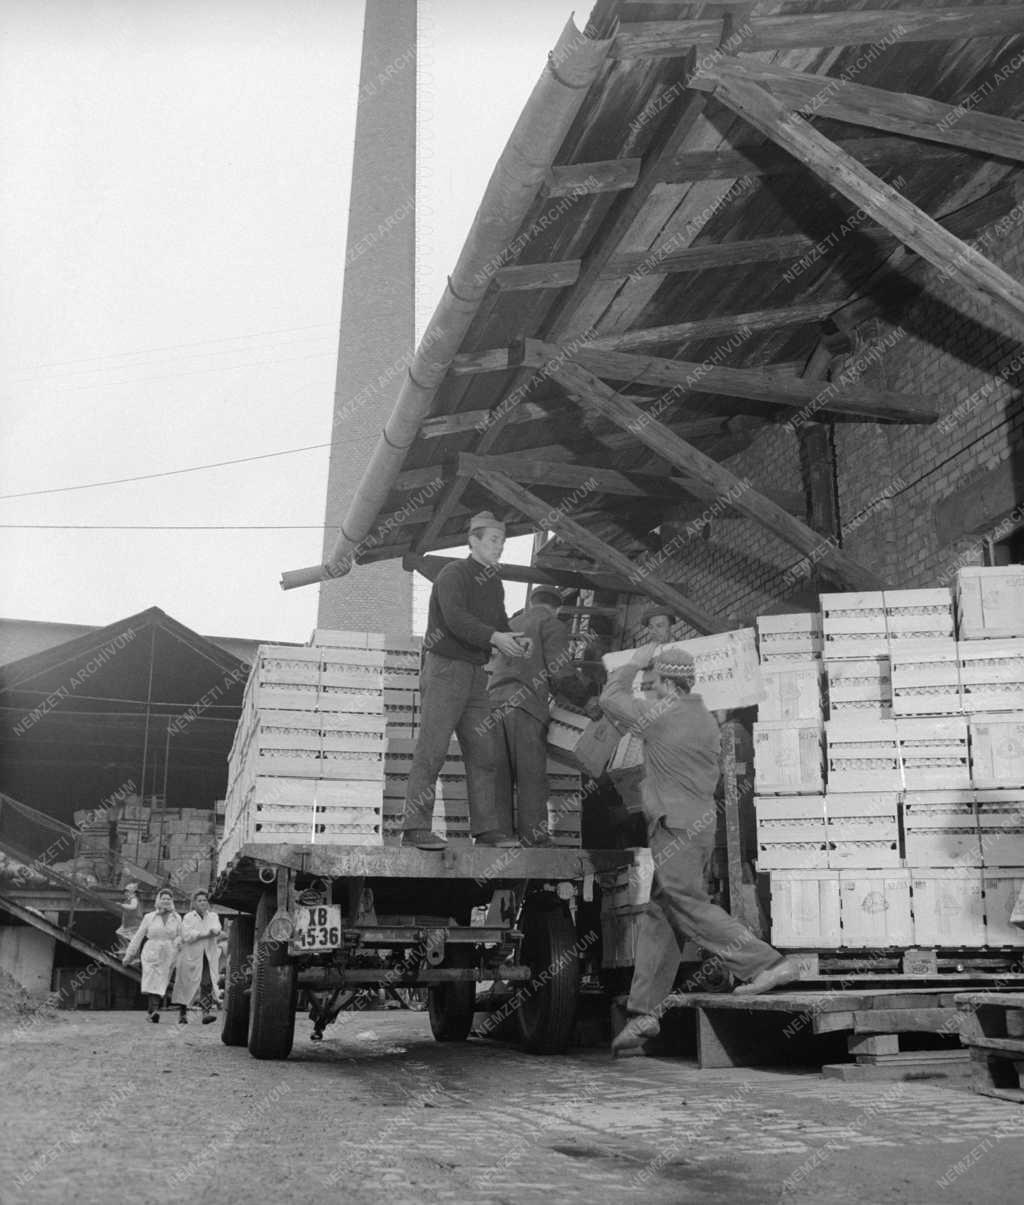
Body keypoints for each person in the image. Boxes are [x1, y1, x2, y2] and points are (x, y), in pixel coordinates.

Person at [599, 643, 801, 1055]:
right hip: (697, 828)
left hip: (673, 828)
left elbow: (609, 699)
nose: (650, 691)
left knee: (688, 903)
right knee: (662, 911)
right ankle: (644, 1013)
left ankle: (767, 964)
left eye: (655, 684)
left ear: (671, 684)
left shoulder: (663, 715)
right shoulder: (704, 719)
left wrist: (632, 665)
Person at [402, 511, 526, 851]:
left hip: (474, 675)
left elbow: (498, 623)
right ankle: (414, 829)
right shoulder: (452, 574)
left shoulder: (494, 583)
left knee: (485, 753)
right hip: (445, 669)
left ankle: (487, 831)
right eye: (493, 540)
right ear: (473, 540)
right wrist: (495, 638)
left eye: (502, 542)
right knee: (433, 750)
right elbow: (456, 620)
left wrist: (514, 638)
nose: (499, 548)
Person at [488, 587, 574, 846]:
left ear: (531, 602)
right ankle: (533, 839)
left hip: (492, 705)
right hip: (524, 706)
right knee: (531, 775)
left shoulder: (509, 625)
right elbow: (561, 671)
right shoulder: (551, 624)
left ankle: (499, 837)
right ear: (557, 608)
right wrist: (582, 698)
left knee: (499, 778)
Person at [122, 887, 183, 1023]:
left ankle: (152, 1012)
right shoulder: (149, 917)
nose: (166, 901)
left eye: (168, 899)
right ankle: (153, 1011)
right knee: (151, 980)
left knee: (162, 982)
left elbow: (180, 935)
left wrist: (178, 943)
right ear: (158, 900)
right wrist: (129, 955)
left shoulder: (176, 917)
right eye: (163, 898)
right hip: (151, 951)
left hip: (168, 952)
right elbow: (138, 936)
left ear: (171, 901)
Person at [171, 890, 222, 1024]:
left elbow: (217, 929)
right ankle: (183, 1014)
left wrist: (208, 933)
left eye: (205, 900)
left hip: (207, 956)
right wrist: (206, 934)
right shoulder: (188, 917)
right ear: (194, 903)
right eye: (199, 900)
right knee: (185, 983)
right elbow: (188, 935)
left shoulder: (213, 916)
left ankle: (206, 1012)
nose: (202, 903)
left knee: (207, 983)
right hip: (190, 955)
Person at [114, 881, 143, 953]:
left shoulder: (134, 899)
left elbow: (133, 907)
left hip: (134, 922)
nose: (125, 893)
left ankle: (128, 948)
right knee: (120, 933)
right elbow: (126, 909)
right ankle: (127, 947)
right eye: (125, 892)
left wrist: (121, 905)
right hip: (128, 923)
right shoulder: (127, 900)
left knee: (122, 934)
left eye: (127, 892)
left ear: (132, 892)